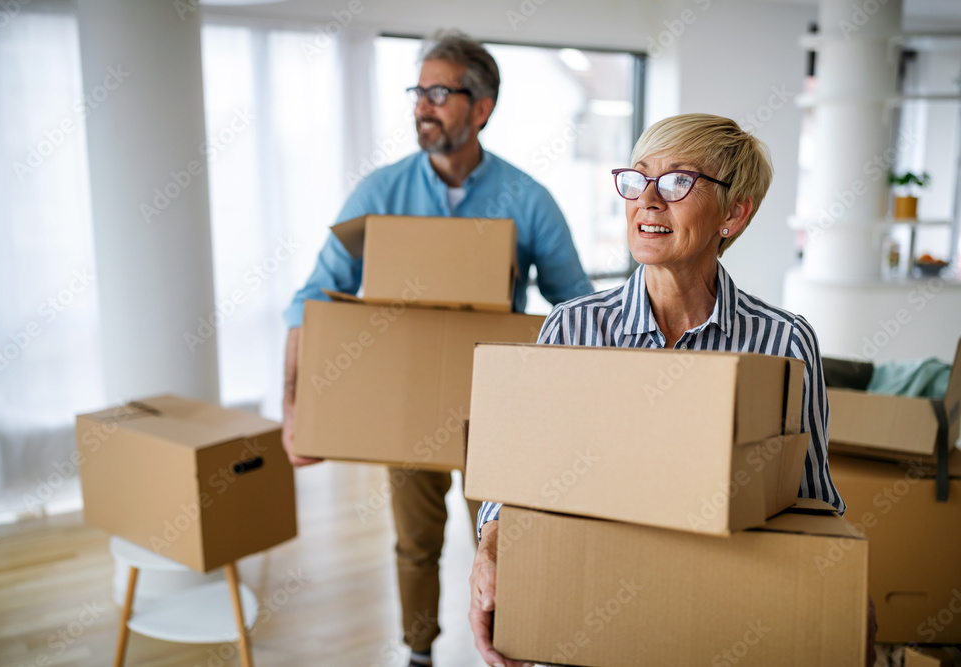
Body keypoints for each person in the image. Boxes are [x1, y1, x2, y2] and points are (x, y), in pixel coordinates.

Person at [468, 113, 871, 667]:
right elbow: (519, 480)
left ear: (734, 212)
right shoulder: (574, 328)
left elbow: (811, 495)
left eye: (678, 181)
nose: (648, 200)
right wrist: (489, 552)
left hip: (719, 619)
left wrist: (849, 593)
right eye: (637, 178)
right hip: (586, 612)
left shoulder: (783, 341)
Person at [281, 30, 592, 667]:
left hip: (499, 414)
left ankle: (510, 649)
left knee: (506, 546)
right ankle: (419, 654)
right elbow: (312, 298)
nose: (423, 105)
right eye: (418, 91)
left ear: (482, 108)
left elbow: (579, 311)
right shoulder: (379, 194)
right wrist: (295, 411)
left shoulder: (527, 200)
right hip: (409, 408)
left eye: (440, 92)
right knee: (415, 545)